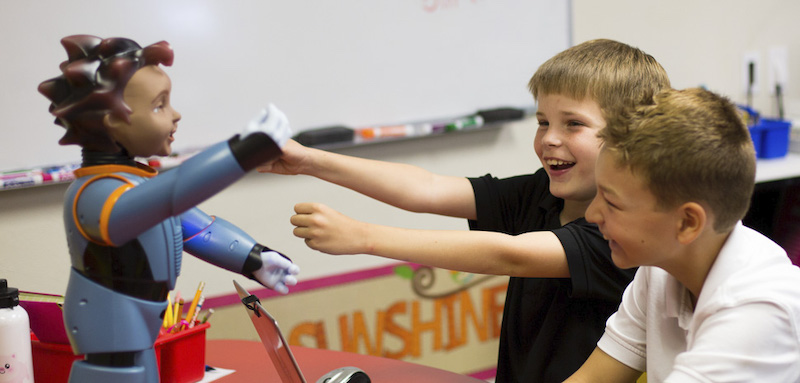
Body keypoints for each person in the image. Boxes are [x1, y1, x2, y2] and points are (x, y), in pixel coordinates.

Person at [261, 39, 670, 382]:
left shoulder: (623, 231)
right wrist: (307, 161)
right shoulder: (541, 193)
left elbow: (512, 254)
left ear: (630, 135)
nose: (549, 140)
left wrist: (365, 238)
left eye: (573, 125)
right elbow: (427, 189)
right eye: (543, 122)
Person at [38, 35, 300, 383]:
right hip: (112, 336)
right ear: (110, 121)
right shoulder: (95, 195)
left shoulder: (138, 185)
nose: (175, 115)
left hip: (139, 330)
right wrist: (241, 153)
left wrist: (253, 258)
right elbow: (173, 195)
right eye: (159, 105)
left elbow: (199, 229)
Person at [565, 88, 800, 382]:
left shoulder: (757, 312)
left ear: (688, 223)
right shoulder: (661, 269)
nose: (591, 214)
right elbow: (592, 379)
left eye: (611, 202)